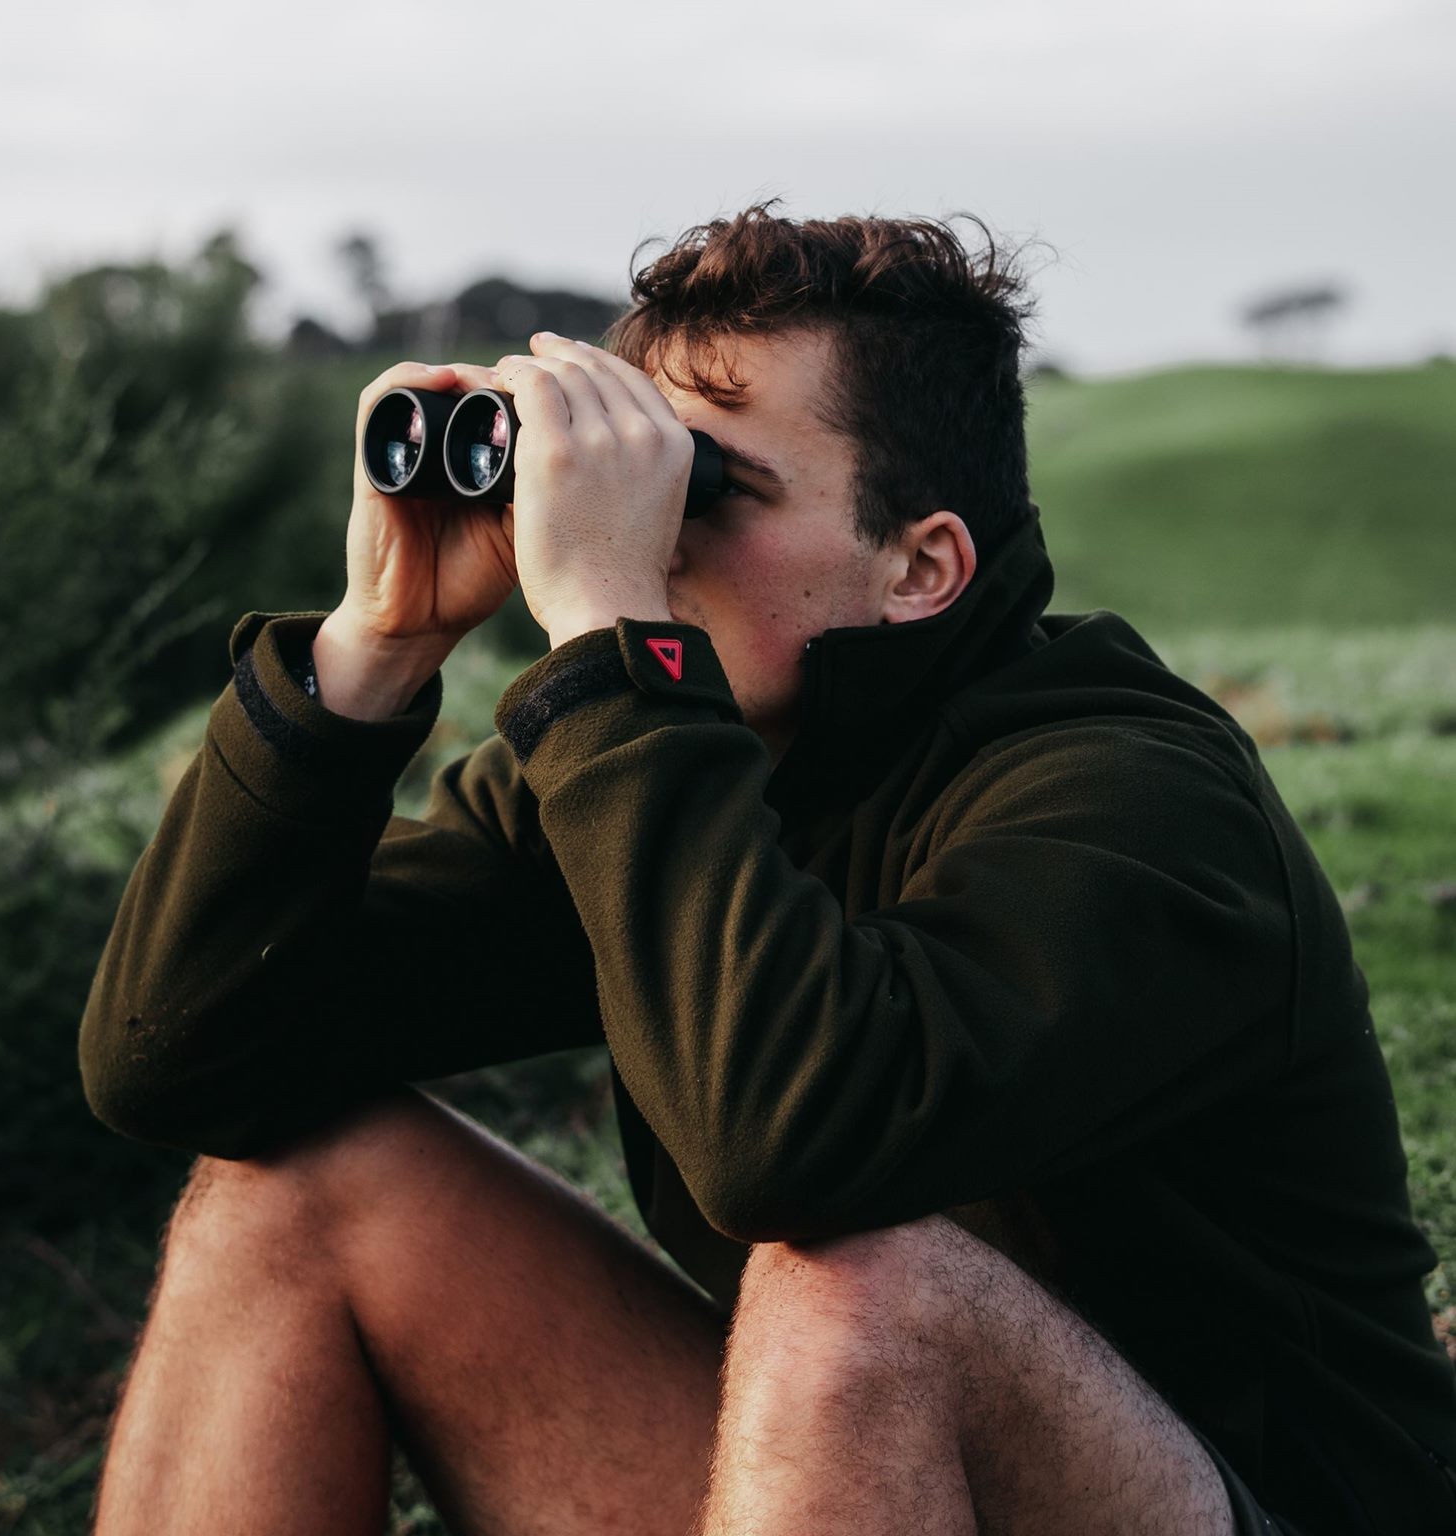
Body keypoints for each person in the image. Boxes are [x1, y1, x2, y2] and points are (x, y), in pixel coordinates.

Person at [78, 204, 1456, 1536]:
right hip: (853, 1486)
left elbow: (788, 1154)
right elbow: (179, 1055)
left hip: (1232, 1506)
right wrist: (372, 649)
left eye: (698, 483)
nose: (646, 531)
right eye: (629, 471)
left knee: (858, 1285)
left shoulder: (1132, 798)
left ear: (919, 568)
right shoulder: (671, 756)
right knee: (295, 1185)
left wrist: (617, 647)